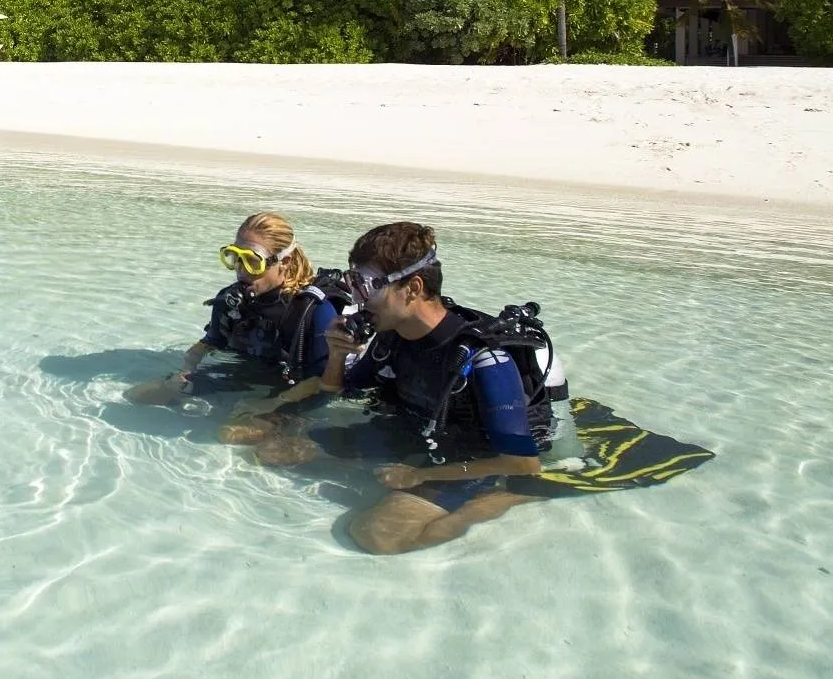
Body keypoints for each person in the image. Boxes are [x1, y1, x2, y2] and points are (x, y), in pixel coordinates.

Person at [287, 222, 566, 554]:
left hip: (476, 460)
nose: (358, 299)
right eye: (354, 284)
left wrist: (418, 476)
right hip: (413, 435)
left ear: (413, 287)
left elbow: (523, 465)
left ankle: (501, 499)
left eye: (367, 286)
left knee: (377, 536)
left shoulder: (485, 359)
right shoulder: (392, 336)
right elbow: (336, 391)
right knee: (278, 449)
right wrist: (336, 354)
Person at [129, 212, 342, 445]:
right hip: (241, 377)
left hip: (291, 391)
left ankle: (295, 437)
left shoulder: (313, 311)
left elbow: (323, 383)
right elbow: (211, 341)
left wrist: (274, 403)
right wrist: (186, 368)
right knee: (139, 395)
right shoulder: (230, 299)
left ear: (285, 261)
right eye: (234, 257)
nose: (241, 270)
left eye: (252, 261)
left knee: (229, 435)